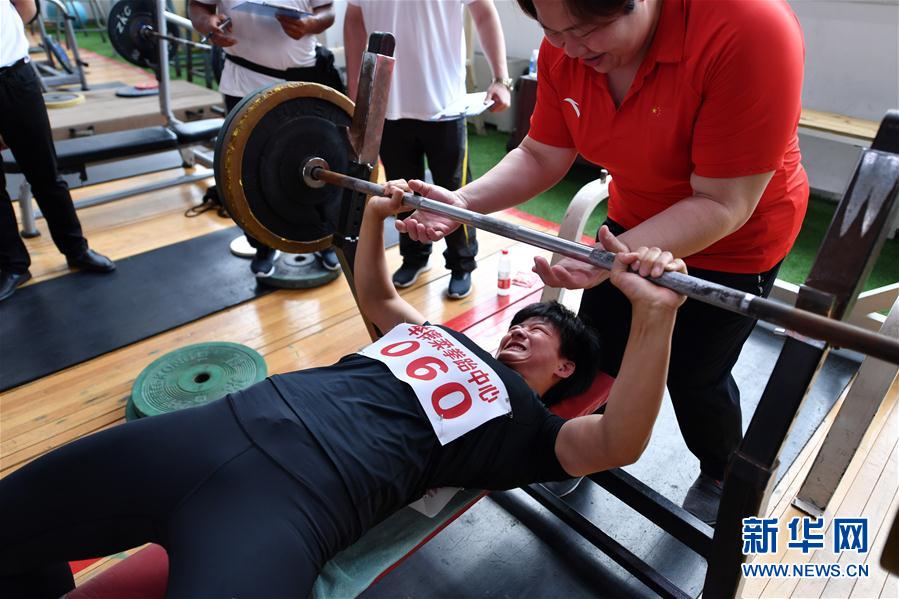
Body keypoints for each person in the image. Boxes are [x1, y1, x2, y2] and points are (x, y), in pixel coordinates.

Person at [0, 180, 687, 597]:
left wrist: (654, 316)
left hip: (293, 503)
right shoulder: (439, 338)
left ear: (565, 370)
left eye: (540, 332)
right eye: (519, 322)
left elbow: (617, 441)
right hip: (216, 426)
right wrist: (377, 216)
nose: (521, 332)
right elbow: (377, 295)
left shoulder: (529, 429)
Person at [397, 0, 808, 523]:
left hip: (732, 241)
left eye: (586, 29)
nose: (570, 49)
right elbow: (542, 153)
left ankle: (721, 470)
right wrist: (464, 202)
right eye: (552, 31)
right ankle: (587, 444)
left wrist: (605, 259)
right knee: (596, 350)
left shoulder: (749, 29)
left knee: (694, 374)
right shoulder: (567, 43)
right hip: (631, 226)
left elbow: (722, 202)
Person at [344, 0, 512, 299]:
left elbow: (484, 12)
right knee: (401, 191)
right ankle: (414, 257)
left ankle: (462, 263)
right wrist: (356, 83)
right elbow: (354, 18)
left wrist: (500, 79)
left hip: (445, 105)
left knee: (453, 190)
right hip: (388, 104)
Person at [189, 0, 344, 277]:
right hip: (242, 81)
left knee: (319, 165)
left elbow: (327, 11)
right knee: (247, 172)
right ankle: (263, 245)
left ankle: (323, 238)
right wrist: (206, 25)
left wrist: (310, 24)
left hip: (303, 80)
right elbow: (199, 6)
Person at [0, 0, 115, 302]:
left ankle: (76, 250)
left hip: (16, 77)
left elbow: (27, 10)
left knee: (45, 173)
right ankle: (13, 265)